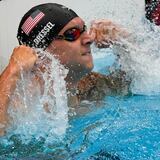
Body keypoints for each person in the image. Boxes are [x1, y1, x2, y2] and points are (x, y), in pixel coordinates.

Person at [0, 3, 130, 136]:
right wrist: (13, 71)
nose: (89, 39)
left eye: (84, 29)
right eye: (73, 33)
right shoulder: (22, 103)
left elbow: (135, 86)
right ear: (42, 52)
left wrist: (123, 42)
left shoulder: (88, 85)